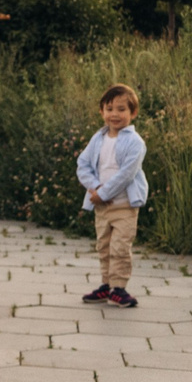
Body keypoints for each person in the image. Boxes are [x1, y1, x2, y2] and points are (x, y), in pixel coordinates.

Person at [77, 83, 147, 308]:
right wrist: (95, 188)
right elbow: (83, 165)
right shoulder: (98, 139)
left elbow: (127, 174)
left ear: (133, 113)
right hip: (101, 206)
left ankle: (119, 288)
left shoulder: (135, 143)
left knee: (120, 247)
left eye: (121, 109)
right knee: (104, 246)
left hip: (124, 206)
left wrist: (105, 192)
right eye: (109, 109)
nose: (114, 114)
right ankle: (106, 284)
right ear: (101, 112)